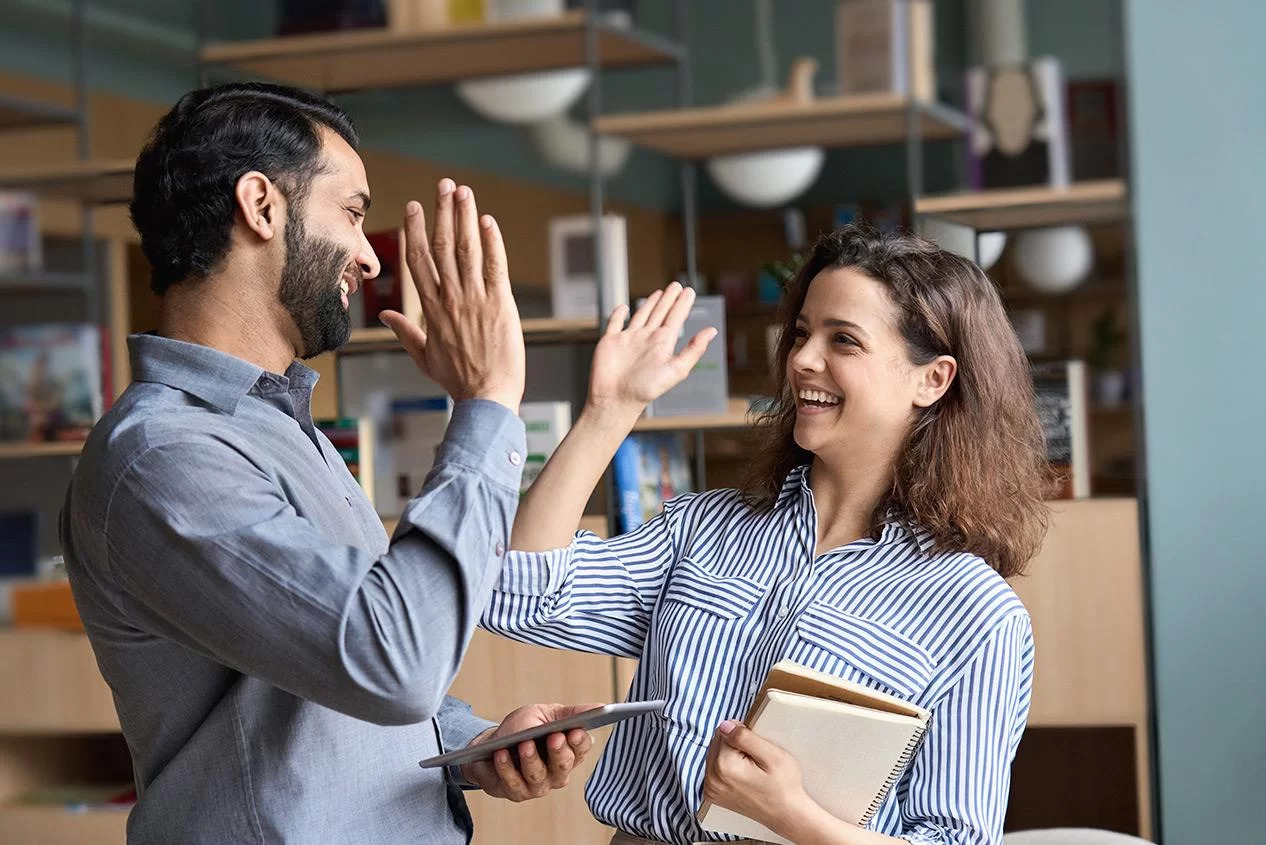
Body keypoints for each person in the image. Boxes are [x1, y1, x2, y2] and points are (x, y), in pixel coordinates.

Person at [60, 81, 598, 844]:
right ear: (262, 206)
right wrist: (488, 401)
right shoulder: (162, 457)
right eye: (351, 212)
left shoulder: (281, 423)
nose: (366, 258)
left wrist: (470, 746)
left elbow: (323, 657)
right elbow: (394, 658)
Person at [482, 227, 1053, 845]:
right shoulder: (700, 528)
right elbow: (518, 593)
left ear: (932, 380)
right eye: (803, 333)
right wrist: (609, 410)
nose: (803, 360)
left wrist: (791, 816)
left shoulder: (977, 615)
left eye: (845, 341)